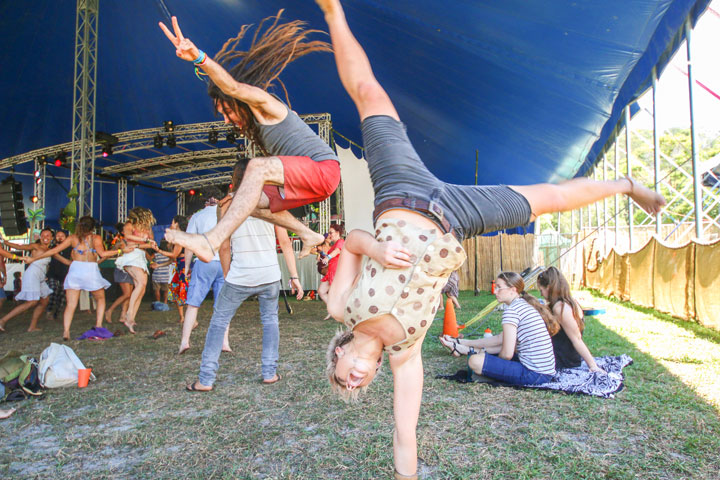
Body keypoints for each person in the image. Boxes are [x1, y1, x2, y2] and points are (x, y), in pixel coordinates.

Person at [315, 1, 666, 477]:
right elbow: (405, 435)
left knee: (368, 96)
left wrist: (376, 249)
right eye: (360, 386)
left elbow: (353, 240)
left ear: (338, 354)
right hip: (456, 216)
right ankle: (624, 185)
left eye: (344, 380)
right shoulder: (407, 356)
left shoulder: (343, 308)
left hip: (401, 193)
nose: (356, 381)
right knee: (551, 198)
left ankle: (332, 10)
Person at [159, 13, 339, 261]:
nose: (225, 120)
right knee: (244, 201)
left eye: (228, 111)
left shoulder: (265, 104)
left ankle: (210, 240)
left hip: (323, 171)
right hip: (308, 184)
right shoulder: (256, 125)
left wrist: (199, 58)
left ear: (241, 102)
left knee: (256, 168)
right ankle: (308, 234)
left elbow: (231, 87)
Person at [187, 159, 303, 391]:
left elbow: (224, 246)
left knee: (218, 323)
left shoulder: (227, 205)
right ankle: (269, 373)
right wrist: (295, 277)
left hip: (240, 275)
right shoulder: (271, 202)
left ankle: (206, 380)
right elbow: (285, 243)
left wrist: (230, 275)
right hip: (269, 274)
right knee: (270, 322)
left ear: (235, 178)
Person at [440, 272, 557, 385]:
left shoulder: (512, 311)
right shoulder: (522, 305)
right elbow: (500, 339)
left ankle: (461, 349)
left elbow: (507, 354)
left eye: (499, 288)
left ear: (513, 290)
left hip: (534, 374)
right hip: (544, 371)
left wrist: (493, 362)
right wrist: (463, 341)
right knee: (486, 354)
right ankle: (460, 346)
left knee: (475, 361)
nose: (495, 291)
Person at [26, 216, 128, 340]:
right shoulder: (95, 238)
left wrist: (33, 259)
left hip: (75, 269)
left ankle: (66, 331)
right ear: (92, 227)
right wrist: (120, 251)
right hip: (90, 269)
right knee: (100, 298)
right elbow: (102, 254)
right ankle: (98, 325)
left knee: (71, 304)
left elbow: (53, 251)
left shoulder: (72, 238)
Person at [178, 188, 228, 355]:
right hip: (223, 262)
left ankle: (185, 341)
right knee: (223, 306)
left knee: (193, 303)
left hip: (203, 262)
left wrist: (186, 268)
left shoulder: (197, 217)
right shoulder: (227, 215)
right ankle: (224, 343)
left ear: (206, 200)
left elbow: (189, 245)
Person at [537, 266, 605, 373]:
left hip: (562, 360)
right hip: (564, 356)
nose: (541, 294)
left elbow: (577, 339)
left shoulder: (561, 308)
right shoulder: (569, 302)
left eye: (541, 290)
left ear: (549, 287)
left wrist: (593, 366)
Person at [0, 228, 55, 332]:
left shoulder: (51, 250)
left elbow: (46, 264)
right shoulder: (36, 246)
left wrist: (44, 274)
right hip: (32, 275)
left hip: (41, 277)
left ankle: (32, 326)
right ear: (40, 237)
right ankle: (3, 320)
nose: (45, 237)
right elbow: (19, 246)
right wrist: (6, 242)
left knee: (45, 300)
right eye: (43, 235)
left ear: (52, 238)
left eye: (48, 235)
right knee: (32, 302)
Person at [115, 208, 157, 333]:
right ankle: (128, 314)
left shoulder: (147, 228)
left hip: (140, 256)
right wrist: (144, 241)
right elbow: (127, 236)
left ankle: (131, 318)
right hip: (130, 256)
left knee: (141, 288)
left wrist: (138, 244)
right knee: (141, 283)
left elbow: (151, 244)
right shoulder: (129, 225)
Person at [105, 222, 134, 324]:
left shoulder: (133, 241)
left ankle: (123, 315)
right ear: (123, 232)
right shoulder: (120, 243)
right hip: (122, 269)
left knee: (129, 295)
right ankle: (110, 310)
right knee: (126, 294)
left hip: (130, 269)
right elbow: (109, 254)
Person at [162, 216, 189, 324]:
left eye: (172, 222)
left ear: (177, 224)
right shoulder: (181, 237)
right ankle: (183, 317)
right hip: (179, 265)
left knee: (182, 291)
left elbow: (174, 254)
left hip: (182, 265)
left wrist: (158, 250)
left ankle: (186, 317)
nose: (171, 224)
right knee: (180, 291)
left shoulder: (179, 238)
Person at [45, 230, 72, 322]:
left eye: (62, 236)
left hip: (64, 275)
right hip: (52, 274)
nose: (60, 237)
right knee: (53, 290)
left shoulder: (70, 248)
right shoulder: (51, 247)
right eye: (58, 236)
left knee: (62, 296)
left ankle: (56, 314)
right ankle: (49, 311)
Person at [317, 223, 344, 307]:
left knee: (337, 295)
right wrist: (322, 255)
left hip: (337, 272)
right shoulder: (334, 244)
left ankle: (338, 310)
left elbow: (337, 251)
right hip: (331, 272)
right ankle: (333, 310)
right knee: (321, 291)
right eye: (329, 233)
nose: (329, 235)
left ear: (337, 232)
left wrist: (327, 257)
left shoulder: (340, 242)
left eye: (331, 232)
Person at [150, 240, 172, 309]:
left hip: (156, 274)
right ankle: (165, 302)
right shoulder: (168, 254)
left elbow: (150, 258)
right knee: (166, 290)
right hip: (165, 275)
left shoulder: (156, 254)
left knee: (157, 290)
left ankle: (158, 302)